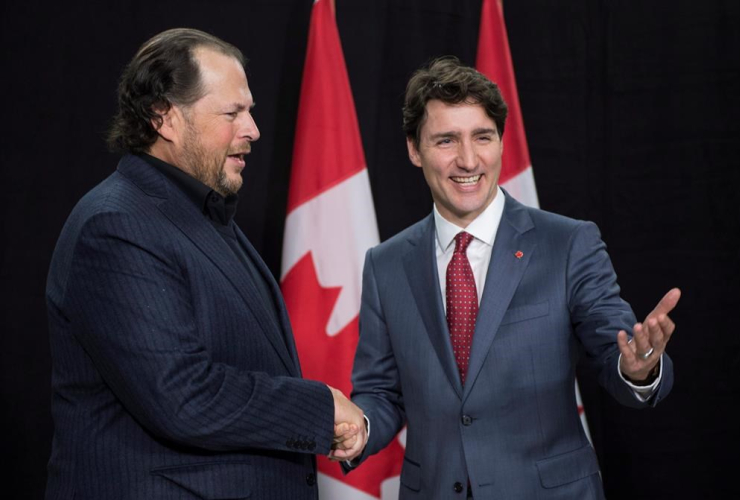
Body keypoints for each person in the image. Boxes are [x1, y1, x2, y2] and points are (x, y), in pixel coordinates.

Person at [45, 28, 364, 500]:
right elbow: (182, 396)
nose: (253, 129)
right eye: (233, 112)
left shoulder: (200, 212)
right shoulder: (116, 225)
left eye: (250, 110)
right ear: (165, 118)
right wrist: (319, 409)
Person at [340, 57, 679, 499]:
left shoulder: (568, 243)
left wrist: (636, 369)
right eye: (446, 140)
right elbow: (381, 391)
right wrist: (359, 427)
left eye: (482, 137)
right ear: (413, 149)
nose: (467, 160)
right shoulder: (385, 264)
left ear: (500, 142)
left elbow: (611, 343)